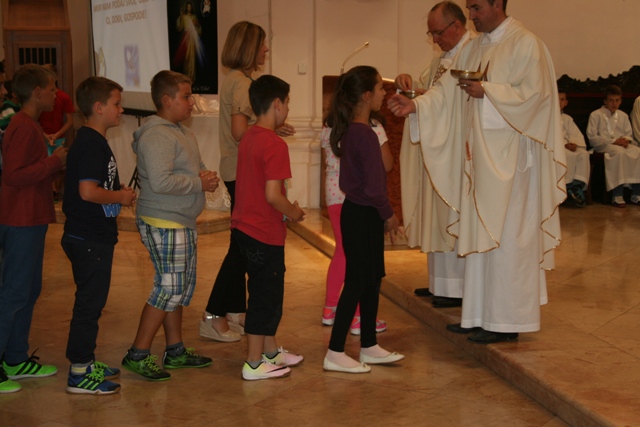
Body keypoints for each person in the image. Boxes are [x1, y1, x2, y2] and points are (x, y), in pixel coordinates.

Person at [388, 0, 566, 344]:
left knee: (508, 240)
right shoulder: (475, 48)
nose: (471, 15)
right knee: (480, 234)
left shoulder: (526, 44)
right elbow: (446, 95)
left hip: (513, 163)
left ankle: (507, 320)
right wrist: (418, 105)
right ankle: (479, 314)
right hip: (480, 160)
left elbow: (538, 98)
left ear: (498, 4)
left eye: (476, 8)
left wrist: (489, 91)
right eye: (469, 8)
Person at [200, 21, 295, 343]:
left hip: (238, 168)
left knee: (241, 247)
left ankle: (233, 311)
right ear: (248, 47)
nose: (266, 49)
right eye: (262, 44)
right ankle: (214, 314)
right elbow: (241, 131)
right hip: (242, 171)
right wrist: (269, 128)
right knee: (242, 249)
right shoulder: (241, 82)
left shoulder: (235, 79)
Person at [121, 70, 219, 381]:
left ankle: (175, 351)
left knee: (179, 287)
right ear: (167, 100)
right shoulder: (157, 135)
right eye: (186, 96)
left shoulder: (183, 133)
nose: (192, 102)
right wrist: (199, 183)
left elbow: (196, 168)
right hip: (163, 219)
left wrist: (206, 177)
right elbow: (161, 182)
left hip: (180, 219)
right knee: (168, 288)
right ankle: (138, 353)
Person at [323, 66, 404, 374]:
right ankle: (335, 352)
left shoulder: (353, 131)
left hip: (360, 212)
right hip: (362, 213)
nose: (385, 93)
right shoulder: (365, 134)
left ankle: (369, 345)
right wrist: (389, 215)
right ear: (367, 95)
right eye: (381, 89)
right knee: (357, 281)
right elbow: (373, 187)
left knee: (372, 279)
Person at [394, 1, 472, 308]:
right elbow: (430, 91)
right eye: (431, 34)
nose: (435, 39)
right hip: (437, 148)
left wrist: (422, 101)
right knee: (435, 216)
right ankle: (441, 283)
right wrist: (409, 84)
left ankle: (458, 288)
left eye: (438, 32)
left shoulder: (472, 53)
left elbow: (454, 100)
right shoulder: (443, 58)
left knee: (452, 216)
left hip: (457, 152)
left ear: (456, 26)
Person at [61, 77, 136, 395]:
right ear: (98, 107)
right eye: (117, 104)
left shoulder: (92, 140)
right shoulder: (91, 143)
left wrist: (116, 193)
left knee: (92, 302)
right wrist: (120, 197)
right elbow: (88, 192)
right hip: (89, 237)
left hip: (91, 235)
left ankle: (87, 362)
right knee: (89, 306)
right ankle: (79, 372)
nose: (121, 109)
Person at [233, 74, 306, 380]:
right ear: (277, 103)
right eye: (287, 103)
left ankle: (271, 352)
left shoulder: (249, 137)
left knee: (265, 294)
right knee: (265, 299)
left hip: (244, 229)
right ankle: (253, 363)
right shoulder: (275, 144)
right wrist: (295, 212)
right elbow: (273, 195)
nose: (287, 108)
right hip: (264, 233)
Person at [0, 64, 67, 394]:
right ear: (37, 92)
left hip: (32, 218)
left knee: (28, 290)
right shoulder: (23, 125)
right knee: (14, 293)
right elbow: (13, 175)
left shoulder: (30, 124)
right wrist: (54, 162)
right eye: (52, 89)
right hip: (20, 220)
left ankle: (15, 357)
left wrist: (54, 166)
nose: (56, 94)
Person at [320, 116, 391, 334]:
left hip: (333, 192)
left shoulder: (329, 125)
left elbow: (326, 162)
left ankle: (330, 309)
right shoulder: (372, 127)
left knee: (342, 251)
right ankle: (359, 317)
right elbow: (387, 164)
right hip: (360, 197)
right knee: (361, 258)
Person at [587, 85, 640, 207]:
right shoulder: (596, 115)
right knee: (618, 153)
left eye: (617, 100)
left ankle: (636, 193)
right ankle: (617, 194)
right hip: (603, 145)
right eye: (611, 100)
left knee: (637, 151)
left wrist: (626, 141)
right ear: (605, 101)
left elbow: (628, 134)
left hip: (621, 145)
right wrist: (613, 141)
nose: (614, 103)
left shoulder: (623, 116)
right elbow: (592, 137)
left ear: (621, 101)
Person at [39, 64, 74, 200]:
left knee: (59, 165)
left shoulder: (63, 97)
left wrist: (56, 135)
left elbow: (70, 121)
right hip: (43, 136)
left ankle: (55, 192)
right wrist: (45, 135)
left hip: (58, 136)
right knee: (46, 163)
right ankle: (50, 192)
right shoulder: (39, 98)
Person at [559, 90, 589, 207]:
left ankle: (577, 186)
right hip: (558, 147)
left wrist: (574, 143)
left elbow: (576, 135)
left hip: (569, 145)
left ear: (566, 102)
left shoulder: (568, 118)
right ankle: (567, 187)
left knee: (583, 154)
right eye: (557, 99)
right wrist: (564, 144)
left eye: (562, 99)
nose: (560, 102)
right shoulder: (547, 117)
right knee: (568, 155)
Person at [175, 1, 203, 82]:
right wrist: (180, 17)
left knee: (192, 57)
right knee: (186, 57)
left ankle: (191, 76)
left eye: (190, 7)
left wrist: (197, 25)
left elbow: (199, 29)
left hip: (192, 38)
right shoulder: (184, 16)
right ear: (186, 8)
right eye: (188, 7)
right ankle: (186, 77)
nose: (189, 8)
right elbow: (179, 27)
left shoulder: (194, 16)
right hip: (185, 38)